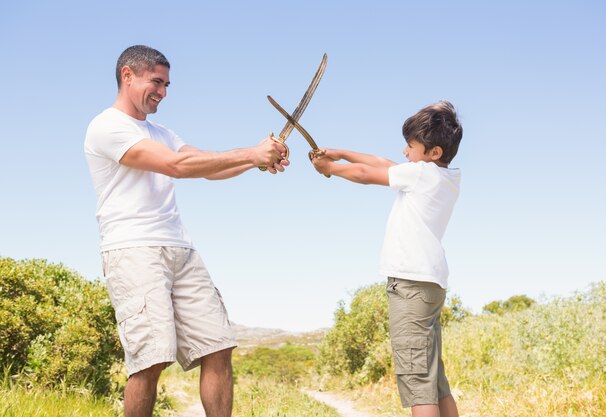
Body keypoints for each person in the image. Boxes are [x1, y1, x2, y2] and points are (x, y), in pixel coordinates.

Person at [84, 45, 289, 417]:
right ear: (128, 75)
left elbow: (208, 168)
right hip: (134, 251)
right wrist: (251, 153)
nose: (163, 92)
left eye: (167, 84)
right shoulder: (106, 127)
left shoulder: (162, 132)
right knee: (151, 359)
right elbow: (177, 166)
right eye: (156, 82)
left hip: (181, 250)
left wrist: (259, 161)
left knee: (218, 347)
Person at [310, 101, 463, 417]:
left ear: (434, 152)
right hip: (430, 286)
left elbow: (368, 173)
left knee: (417, 380)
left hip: (410, 286)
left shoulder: (421, 175)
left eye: (411, 147)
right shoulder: (441, 177)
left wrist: (331, 169)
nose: (405, 152)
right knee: (435, 381)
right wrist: (340, 153)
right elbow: (380, 162)